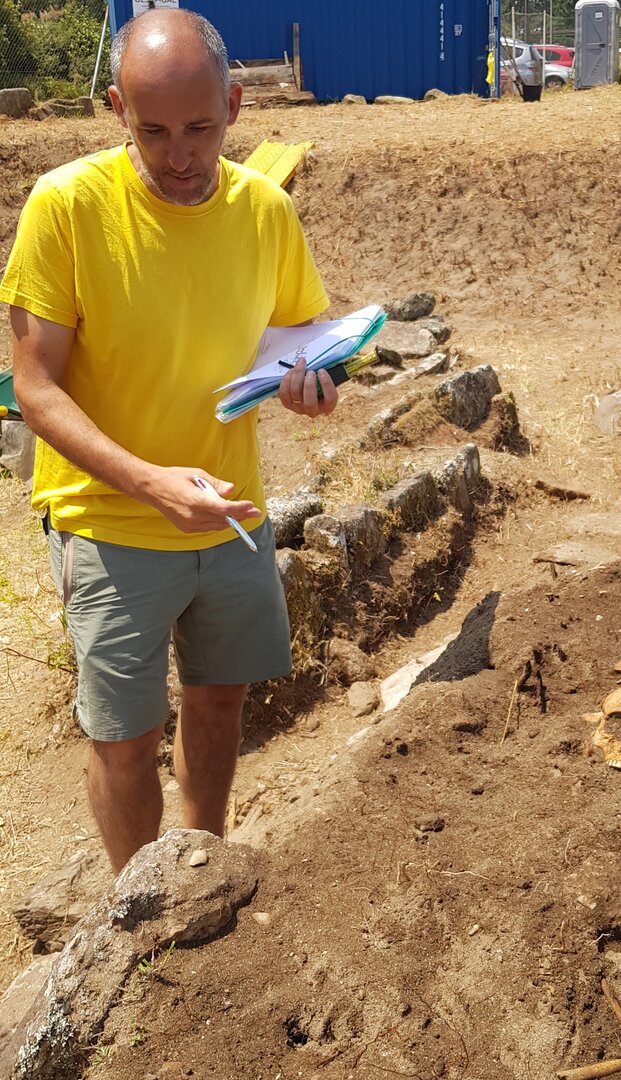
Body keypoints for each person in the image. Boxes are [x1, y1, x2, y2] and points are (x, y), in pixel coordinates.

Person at [0, 8, 336, 875]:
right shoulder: (66, 208)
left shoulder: (264, 209)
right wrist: (152, 484)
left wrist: (313, 385)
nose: (180, 153)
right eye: (153, 131)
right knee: (125, 736)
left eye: (200, 127)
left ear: (234, 104)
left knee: (220, 702)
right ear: (116, 109)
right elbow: (35, 390)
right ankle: (134, 917)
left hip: (227, 512)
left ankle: (200, 866)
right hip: (111, 520)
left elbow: (301, 336)